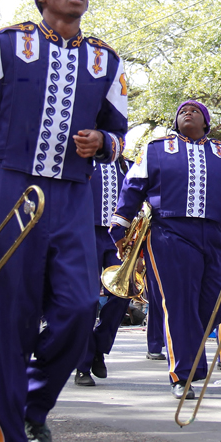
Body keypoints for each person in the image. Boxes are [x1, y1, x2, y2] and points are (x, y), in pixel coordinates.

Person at [0, 0, 128, 442]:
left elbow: (117, 137)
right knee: (13, 320)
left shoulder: (106, 60)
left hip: (74, 198)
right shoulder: (5, 44)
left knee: (78, 309)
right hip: (10, 189)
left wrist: (104, 143)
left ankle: (32, 403)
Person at [111, 101, 221, 400]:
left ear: (207, 121)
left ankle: (188, 353)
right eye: (181, 111)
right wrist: (120, 227)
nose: (186, 113)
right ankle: (184, 374)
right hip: (169, 232)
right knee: (178, 304)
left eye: (194, 111)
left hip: (216, 234)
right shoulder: (154, 149)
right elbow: (133, 186)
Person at [74, 159, 132, 387]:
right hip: (84, 234)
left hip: (117, 239)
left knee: (123, 294)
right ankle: (83, 364)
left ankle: (99, 346)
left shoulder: (126, 166)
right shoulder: (81, 161)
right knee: (86, 300)